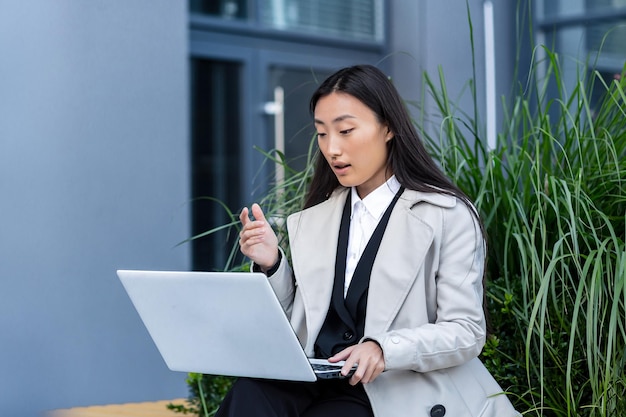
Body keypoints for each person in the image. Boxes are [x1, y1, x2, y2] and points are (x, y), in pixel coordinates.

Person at [215, 65, 519, 417]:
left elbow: (466, 331)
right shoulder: (313, 219)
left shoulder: (445, 215)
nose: (332, 148)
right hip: (316, 376)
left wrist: (383, 348)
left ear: (388, 127)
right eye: (321, 134)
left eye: (345, 131)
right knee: (248, 395)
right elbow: (296, 326)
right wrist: (273, 264)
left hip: (392, 386)